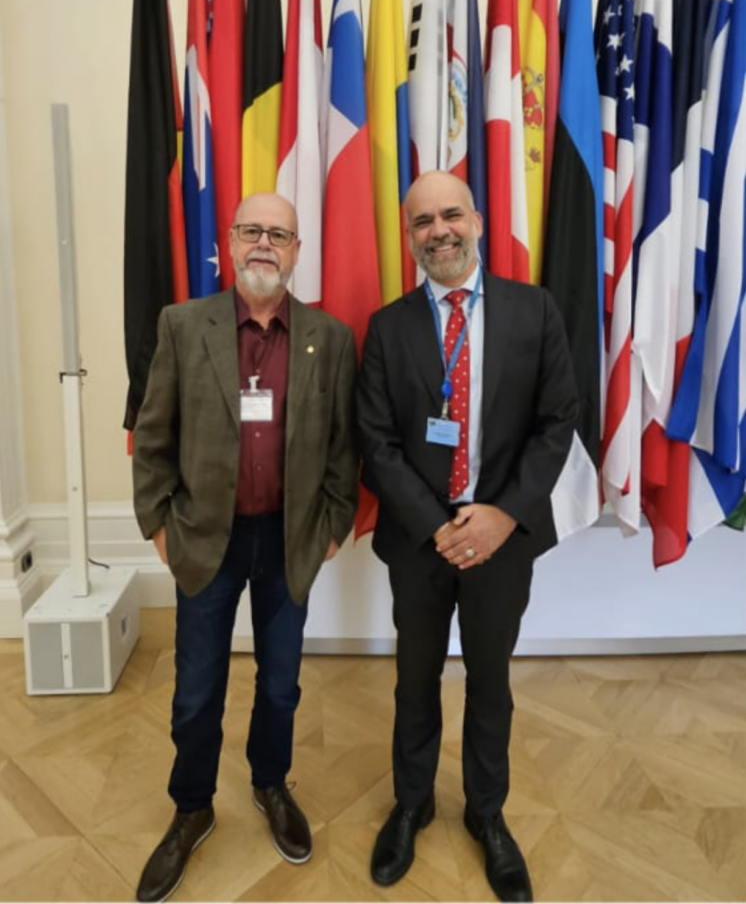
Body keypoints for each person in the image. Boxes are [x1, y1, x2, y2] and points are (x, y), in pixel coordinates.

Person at [356, 171, 577, 903]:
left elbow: (558, 422)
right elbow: (376, 440)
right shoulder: (387, 327)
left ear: (477, 221)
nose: (439, 231)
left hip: (501, 539)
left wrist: (502, 515)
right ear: (409, 235)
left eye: (451, 215)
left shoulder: (533, 310)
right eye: (423, 221)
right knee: (415, 678)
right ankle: (412, 804)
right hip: (420, 541)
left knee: (490, 680)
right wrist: (437, 525)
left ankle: (487, 813)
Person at [132, 192, 358, 903]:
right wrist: (160, 526)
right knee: (196, 692)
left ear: (297, 251)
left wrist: (332, 525)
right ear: (230, 243)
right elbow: (153, 434)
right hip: (206, 538)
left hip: (290, 538)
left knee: (281, 683)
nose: (265, 243)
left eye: (279, 234)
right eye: (252, 230)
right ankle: (191, 807)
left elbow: (344, 446)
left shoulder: (330, 337)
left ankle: (270, 784)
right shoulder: (182, 325)